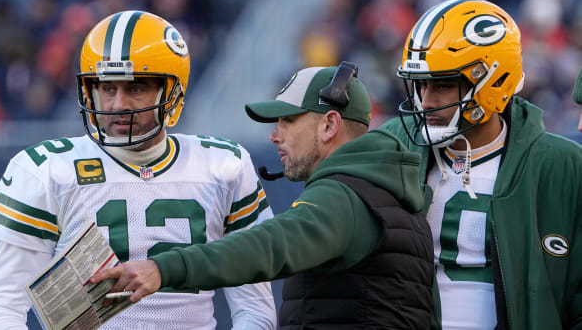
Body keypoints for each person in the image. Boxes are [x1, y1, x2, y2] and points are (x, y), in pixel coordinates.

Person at [0, 11, 277, 330]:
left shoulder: (224, 165)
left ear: (172, 93)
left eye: (135, 89)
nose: (118, 103)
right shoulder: (48, 168)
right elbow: (3, 306)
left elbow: (255, 309)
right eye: (107, 88)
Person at [90, 62, 435, 329]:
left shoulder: (345, 196)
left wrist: (161, 268)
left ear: (329, 125)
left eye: (286, 121)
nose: (274, 136)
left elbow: (269, 246)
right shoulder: (384, 189)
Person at [380, 0, 582, 329]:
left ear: (493, 82)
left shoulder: (562, 166)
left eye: (443, 85)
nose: (426, 101)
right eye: (421, 85)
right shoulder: (391, 147)